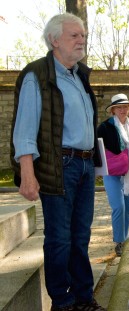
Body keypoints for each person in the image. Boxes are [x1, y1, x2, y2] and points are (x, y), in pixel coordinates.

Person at [10, 13, 106, 311]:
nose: (82, 40)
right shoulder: (37, 75)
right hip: (59, 166)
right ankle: (63, 303)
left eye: (83, 35)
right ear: (54, 40)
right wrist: (28, 174)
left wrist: (95, 165)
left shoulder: (78, 75)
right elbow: (24, 130)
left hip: (85, 167)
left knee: (80, 238)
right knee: (60, 241)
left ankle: (84, 298)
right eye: (74, 35)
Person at [97, 93, 129, 256]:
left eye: (125, 107)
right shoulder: (105, 127)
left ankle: (124, 239)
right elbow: (96, 148)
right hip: (112, 172)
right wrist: (97, 169)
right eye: (119, 107)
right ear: (113, 110)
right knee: (118, 206)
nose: (123, 110)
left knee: (128, 207)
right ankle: (119, 241)